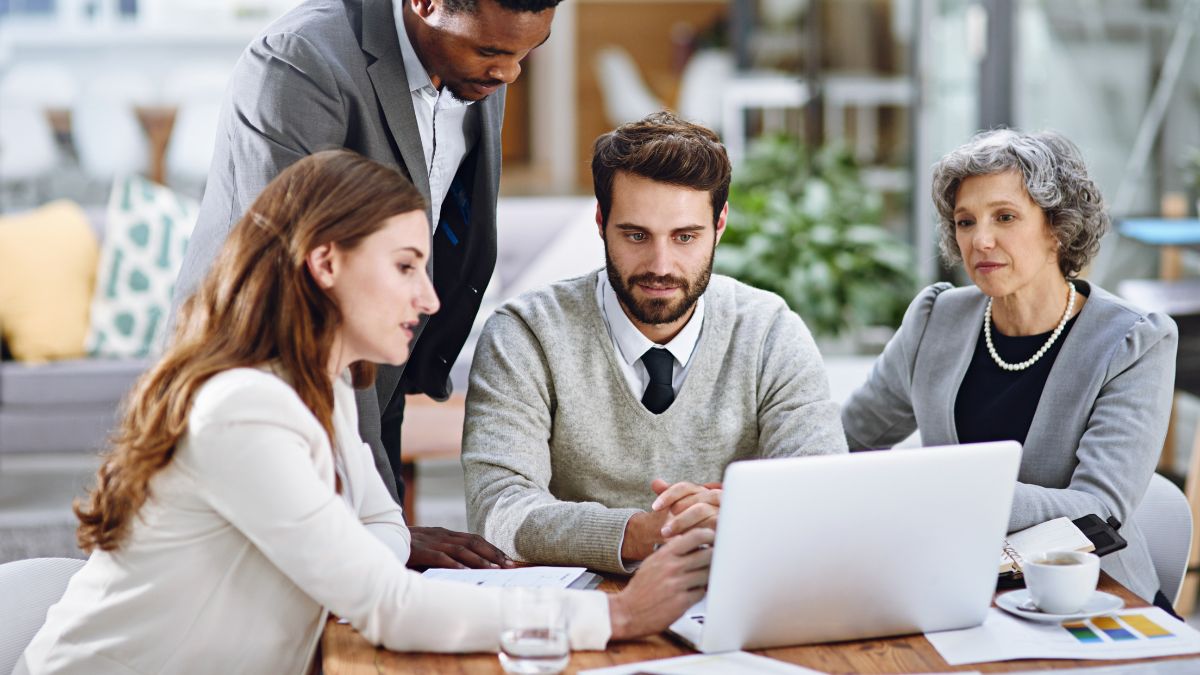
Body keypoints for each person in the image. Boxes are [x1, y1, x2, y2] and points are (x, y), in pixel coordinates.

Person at [17, 151, 713, 675]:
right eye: (406, 266)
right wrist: (615, 613)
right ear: (326, 262)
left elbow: (381, 538)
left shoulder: (321, 385)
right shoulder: (244, 407)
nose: (430, 298)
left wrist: (355, 561)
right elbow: (389, 602)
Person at [171, 0, 559, 568]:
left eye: (529, 52)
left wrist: (386, 528)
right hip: (264, 378)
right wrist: (383, 530)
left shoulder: (479, 65)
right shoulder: (300, 64)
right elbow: (303, 295)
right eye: (492, 52)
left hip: (376, 374)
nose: (510, 74)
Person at [460, 112, 847, 575]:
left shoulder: (770, 333)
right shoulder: (526, 333)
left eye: (685, 237)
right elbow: (499, 511)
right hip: (582, 611)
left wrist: (735, 513)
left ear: (720, 224)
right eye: (636, 235)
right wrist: (639, 532)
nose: (660, 265)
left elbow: (821, 495)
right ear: (601, 222)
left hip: (729, 599)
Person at [841, 129, 1177, 608]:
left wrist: (955, 492)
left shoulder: (1134, 341)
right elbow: (845, 439)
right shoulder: (936, 318)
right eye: (964, 221)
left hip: (1089, 597)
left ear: (1057, 227)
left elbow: (1098, 511)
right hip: (957, 587)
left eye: (1005, 217)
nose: (980, 240)